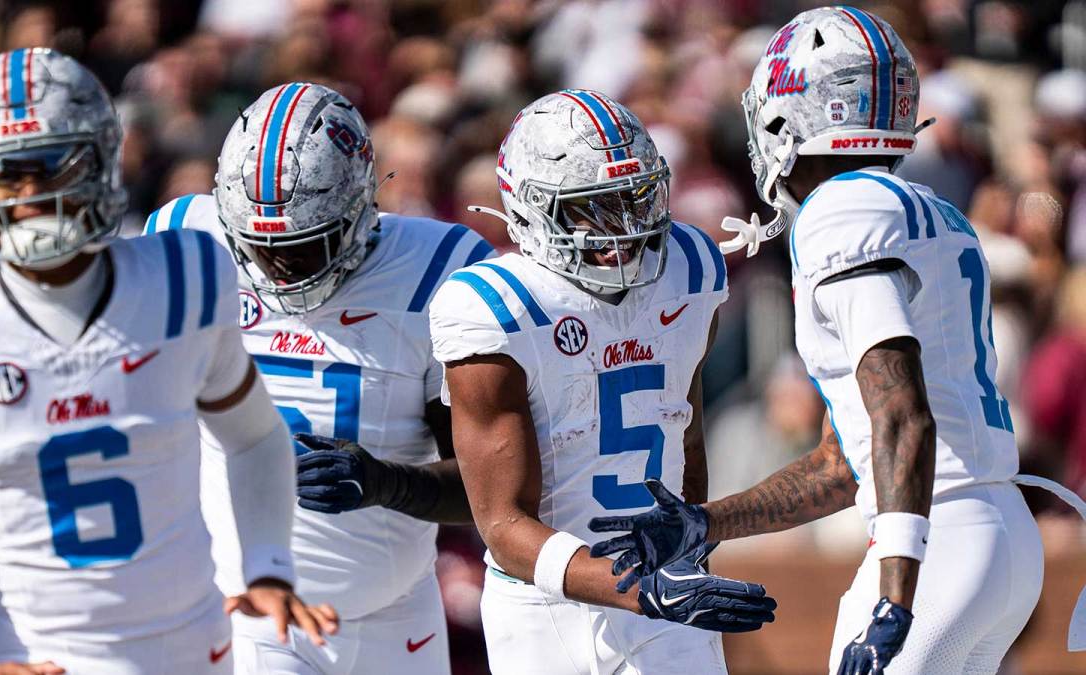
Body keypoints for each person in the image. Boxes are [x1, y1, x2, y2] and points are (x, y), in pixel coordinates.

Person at [589, 8, 1072, 673]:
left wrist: (897, 595)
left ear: (799, 111)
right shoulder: (932, 210)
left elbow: (901, 410)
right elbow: (843, 464)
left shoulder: (841, 210)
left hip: (935, 540)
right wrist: (706, 522)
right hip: (993, 533)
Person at [0, 48, 332, 675]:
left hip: (191, 652)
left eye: (52, 165)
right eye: (5, 174)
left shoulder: (185, 278)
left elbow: (256, 436)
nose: (31, 194)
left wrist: (267, 566)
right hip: (33, 657)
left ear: (101, 157)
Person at [143, 82, 489, 675]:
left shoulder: (439, 272)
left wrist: (384, 482)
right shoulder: (188, 244)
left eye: (303, 247)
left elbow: (493, 483)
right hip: (253, 609)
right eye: (257, 245)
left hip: (400, 610)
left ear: (360, 209)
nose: (276, 267)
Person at [427, 89, 777, 675]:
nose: (627, 226)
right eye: (597, 206)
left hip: (665, 591)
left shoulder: (688, 267)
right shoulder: (495, 308)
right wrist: (640, 588)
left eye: (635, 198)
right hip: (547, 610)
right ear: (532, 209)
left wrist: (690, 553)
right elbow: (503, 525)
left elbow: (682, 432)